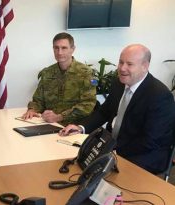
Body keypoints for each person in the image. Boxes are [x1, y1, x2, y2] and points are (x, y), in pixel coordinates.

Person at [60, 44, 175, 174]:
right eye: (121, 62)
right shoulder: (119, 83)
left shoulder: (160, 96)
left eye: (129, 64)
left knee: (99, 176)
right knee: (76, 163)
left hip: (144, 155)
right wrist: (81, 127)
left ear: (145, 66)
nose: (122, 68)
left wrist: (112, 150)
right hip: (113, 146)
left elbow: (150, 141)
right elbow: (104, 112)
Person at [22, 32, 96, 125]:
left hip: (74, 126)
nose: (59, 52)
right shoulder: (47, 72)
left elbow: (88, 104)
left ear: (72, 49)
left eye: (64, 48)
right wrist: (32, 110)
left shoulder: (86, 73)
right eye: (56, 48)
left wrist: (59, 117)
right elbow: (38, 100)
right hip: (49, 124)